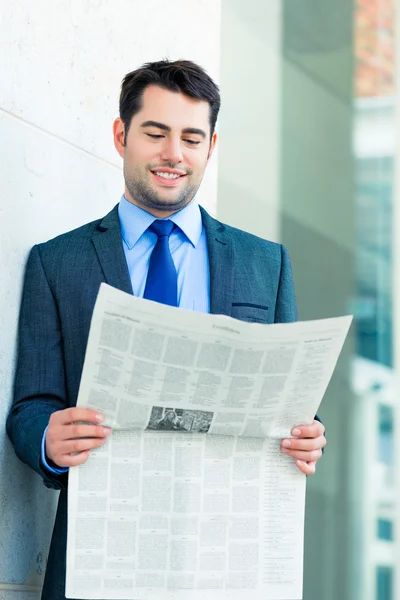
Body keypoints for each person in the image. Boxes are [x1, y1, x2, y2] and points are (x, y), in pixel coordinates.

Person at [6, 59, 326, 600]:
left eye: (191, 138)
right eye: (155, 133)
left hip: (229, 553)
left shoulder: (264, 263)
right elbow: (31, 404)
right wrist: (45, 437)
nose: (173, 153)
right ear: (121, 135)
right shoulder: (56, 262)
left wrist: (307, 433)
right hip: (101, 550)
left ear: (210, 146)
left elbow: (289, 401)